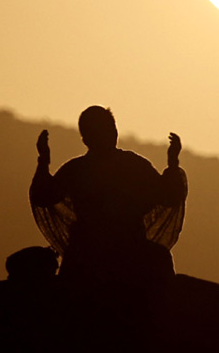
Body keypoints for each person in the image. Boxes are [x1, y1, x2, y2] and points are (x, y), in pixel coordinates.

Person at [30, 106, 187, 291]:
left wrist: (173, 161)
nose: (109, 135)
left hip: (125, 247)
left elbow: (167, 195)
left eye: (111, 129)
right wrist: (43, 161)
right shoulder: (79, 170)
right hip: (94, 252)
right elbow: (43, 196)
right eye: (102, 131)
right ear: (86, 139)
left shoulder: (130, 165)